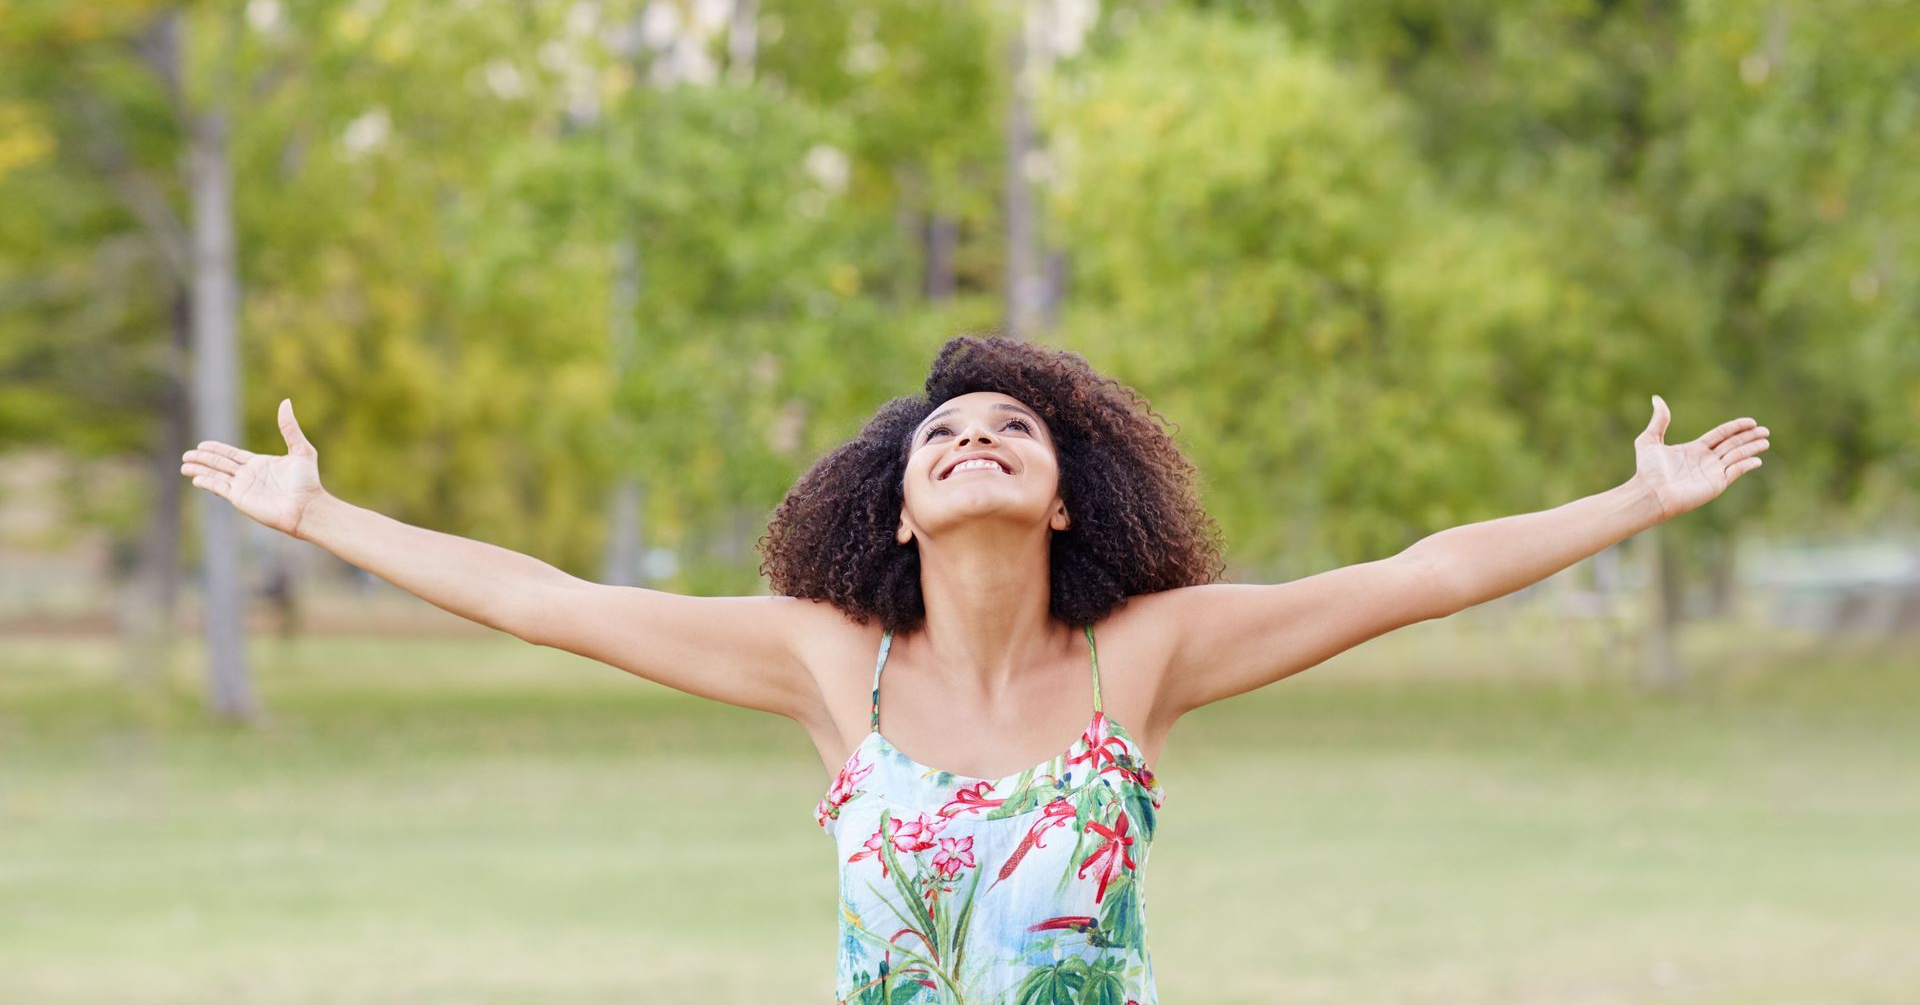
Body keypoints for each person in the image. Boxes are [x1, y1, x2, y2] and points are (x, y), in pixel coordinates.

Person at [180, 334, 1769, 1002]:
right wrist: (321, 517)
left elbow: (1414, 580)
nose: (977, 438)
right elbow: (546, 599)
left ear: (1068, 493)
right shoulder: (831, 669)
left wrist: (1633, 500)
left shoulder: (1142, 660)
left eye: (1014, 428)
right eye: (944, 435)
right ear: (903, 506)